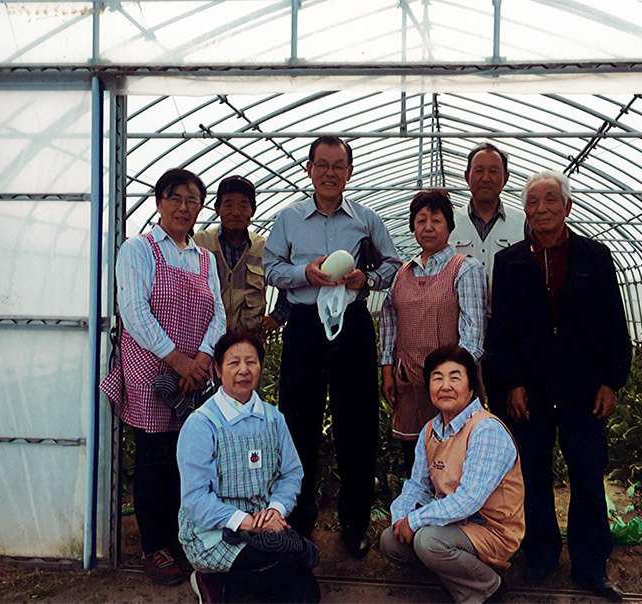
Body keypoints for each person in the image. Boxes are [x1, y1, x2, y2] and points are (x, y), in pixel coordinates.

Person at [490, 171, 632, 601]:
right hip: (529, 392)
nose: (542, 209)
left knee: (586, 475)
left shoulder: (595, 257)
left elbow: (614, 324)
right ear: (525, 213)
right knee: (531, 475)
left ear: (567, 207)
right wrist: (510, 383)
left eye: (551, 200)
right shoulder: (510, 262)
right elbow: (502, 332)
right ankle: (541, 556)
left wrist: (611, 382)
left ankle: (590, 565)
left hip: (582, 390)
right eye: (533, 203)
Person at [263, 136, 400, 557]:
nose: (329, 173)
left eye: (338, 166)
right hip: (305, 325)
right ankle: (299, 521)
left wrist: (367, 280)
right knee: (298, 422)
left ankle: (355, 524)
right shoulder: (289, 219)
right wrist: (306, 273)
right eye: (321, 165)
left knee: (356, 424)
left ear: (349, 173)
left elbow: (394, 264)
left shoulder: (366, 220)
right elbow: (271, 268)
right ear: (309, 169)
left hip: (352, 324)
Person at [101, 169, 227, 585]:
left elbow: (218, 314)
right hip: (154, 371)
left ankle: (181, 541)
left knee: (189, 460)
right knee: (155, 460)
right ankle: (154, 547)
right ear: (158, 202)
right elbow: (134, 311)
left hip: (194, 374)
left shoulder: (203, 257)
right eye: (175, 198)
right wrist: (178, 361)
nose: (183, 207)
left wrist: (204, 358)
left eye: (192, 201)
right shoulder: (138, 249)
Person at [177, 331, 320, 604]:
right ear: (217, 370)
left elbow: (291, 473)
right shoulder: (201, 424)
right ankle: (212, 582)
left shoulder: (273, 418)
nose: (243, 370)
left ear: (260, 367)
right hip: (215, 531)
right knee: (284, 568)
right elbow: (195, 499)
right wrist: (246, 522)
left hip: (264, 528)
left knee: (308, 594)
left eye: (251, 362)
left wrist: (275, 511)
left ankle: (229, 587)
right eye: (233, 363)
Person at [381, 345, 524, 604]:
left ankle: (488, 588)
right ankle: (456, 574)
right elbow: (416, 486)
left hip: (490, 528)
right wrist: (401, 518)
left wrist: (414, 522)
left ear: (471, 389)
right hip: (455, 522)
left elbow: (469, 500)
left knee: (428, 540)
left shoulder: (485, 429)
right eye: (437, 378)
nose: (445, 385)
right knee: (390, 541)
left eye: (455, 377)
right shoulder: (430, 430)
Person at [380, 190, 487, 473]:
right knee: (416, 459)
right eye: (420, 220)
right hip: (409, 382)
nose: (428, 227)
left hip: (450, 386)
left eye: (436, 220)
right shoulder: (402, 273)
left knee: (453, 458)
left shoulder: (465, 268)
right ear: (412, 226)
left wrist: (453, 378)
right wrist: (388, 369)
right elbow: (390, 321)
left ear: (449, 227)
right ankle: (417, 516)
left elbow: (473, 333)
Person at [448, 142, 526, 417]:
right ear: (466, 176)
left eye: (494, 171)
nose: (486, 177)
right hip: (458, 331)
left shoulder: (522, 222)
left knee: (510, 409)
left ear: (505, 179)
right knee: (461, 409)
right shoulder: (449, 222)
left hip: (508, 331)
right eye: (478, 170)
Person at [193, 175, 289, 336]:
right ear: (217, 209)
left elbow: (287, 282)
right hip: (206, 339)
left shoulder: (265, 247)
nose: (236, 212)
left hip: (249, 340)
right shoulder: (200, 243)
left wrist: (277, 317)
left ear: (252, 211)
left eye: (243, 205)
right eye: (228, 205)